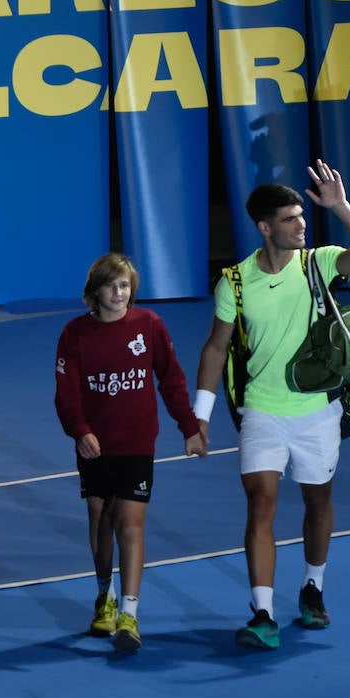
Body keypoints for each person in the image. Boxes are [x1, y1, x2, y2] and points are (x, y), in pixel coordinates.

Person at [194, 160, 350, 650]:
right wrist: (200, 414)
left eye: (303, 217)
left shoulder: (316, 263)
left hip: (318, 410)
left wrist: (339, 206)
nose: (302, 225)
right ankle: (262, 612)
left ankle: (312, 588)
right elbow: (216, 347)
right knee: (261, 503)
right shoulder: (234, 282)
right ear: (265, 227)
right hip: (261, 410)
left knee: (317, 501)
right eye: (291, 219)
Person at [53, 253, 208, 653]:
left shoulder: (149, 326)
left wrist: (190, 428)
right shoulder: (75, 335)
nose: (119, 293)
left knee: (130, 525)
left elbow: (171, 380)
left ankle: (129, 614)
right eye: (111, 286)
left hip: (138, 443)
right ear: (94, 293)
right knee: (100, 518)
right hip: (95, 446)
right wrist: (80, 431)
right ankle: (103, 595)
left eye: (125, 286)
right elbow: (66, 395)